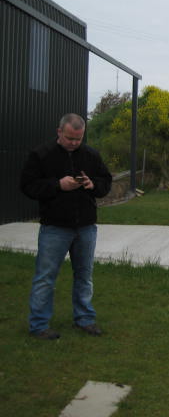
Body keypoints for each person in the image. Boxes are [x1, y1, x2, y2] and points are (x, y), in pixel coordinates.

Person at [20, 113, 112, 340]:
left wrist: (92, 184)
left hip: (86, 227)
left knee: (84, 275)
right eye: (70, 138)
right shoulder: (41, 155)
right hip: (55, 227)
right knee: (45, 277)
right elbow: (28, 186)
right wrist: (57, 185)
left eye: (78, 139)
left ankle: (85, 319)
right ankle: (39, 325)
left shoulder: (91, 155)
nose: (74, 143)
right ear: (59, 131)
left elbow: (105, 182)